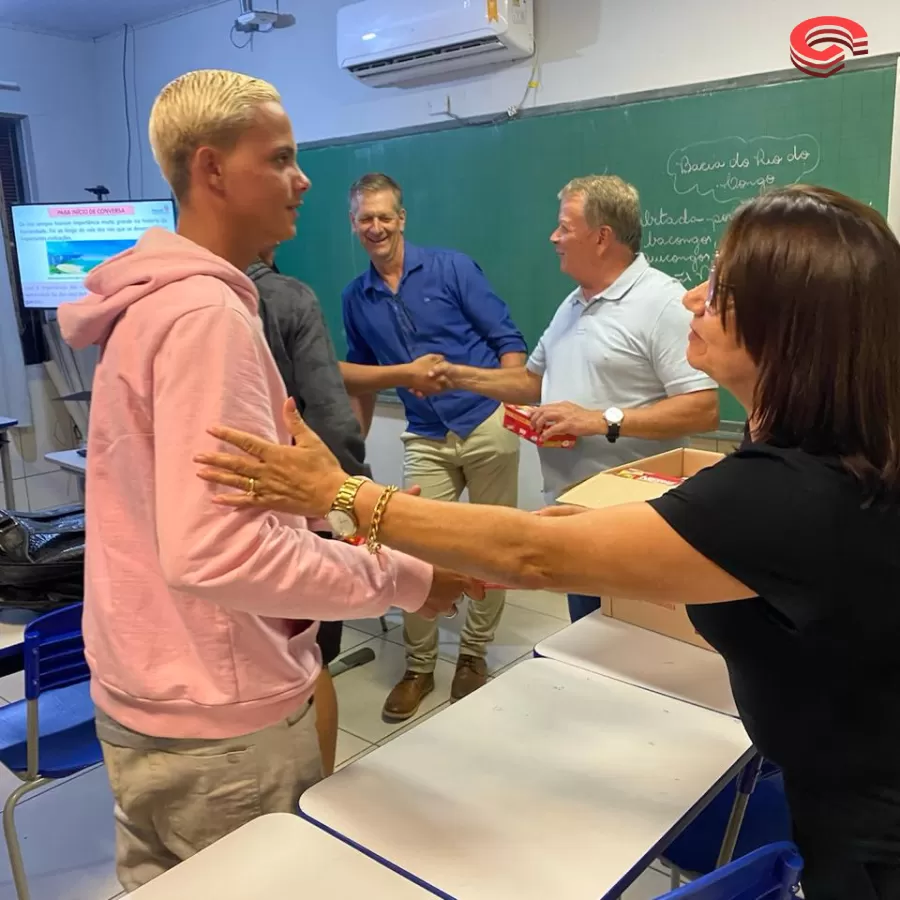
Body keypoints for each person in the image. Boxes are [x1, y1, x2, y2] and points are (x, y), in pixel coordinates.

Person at [195, 185, 900, 900]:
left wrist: (338, 493)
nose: (694, 298)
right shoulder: (836, 452)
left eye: (719, 286)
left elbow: (531, 555)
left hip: (870, 838)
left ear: (788, 325)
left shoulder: (791, 488)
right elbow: (596, 534)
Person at [57, 69, 477, 891]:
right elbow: (217, 554)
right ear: (212, 171)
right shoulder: (207, 318)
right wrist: (404, 575)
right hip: (220, 721)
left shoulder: (150, 308)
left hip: (149, 692)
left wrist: (346, 517)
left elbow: (215, 509)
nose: (305, 178)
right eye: (281, 158)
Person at [428, 175, 719, 622]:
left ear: (601, 237)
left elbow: (702, 407)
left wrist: (600, 420)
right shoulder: (573, 303)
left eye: (564, 227)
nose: (553, 237)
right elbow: (530, 382)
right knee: (586, 630)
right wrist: (456, 376)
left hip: (631, 520)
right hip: (571, 510)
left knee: (632, 637)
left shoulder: (663, 302)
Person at [338, 172, 528, 719]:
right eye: (365, 219)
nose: (376, 227)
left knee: (492, 549)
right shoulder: (358, 297)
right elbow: (366, 375)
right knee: (415, 547)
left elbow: (508, 343)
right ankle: (419, 665)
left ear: (402, 219)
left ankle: (472, 656)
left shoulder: (452, 268)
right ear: (355, 225)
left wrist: (509, 404)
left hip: (487, 422)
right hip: (425, 433)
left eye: (384, 217)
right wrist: (355, 450)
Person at [248, 245, 368, 776]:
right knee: (312, 656)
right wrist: (355, 504)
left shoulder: (158, 299)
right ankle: (313, 798)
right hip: (301, 510)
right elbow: (328, 414)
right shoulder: (288, 297)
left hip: (230, 520)